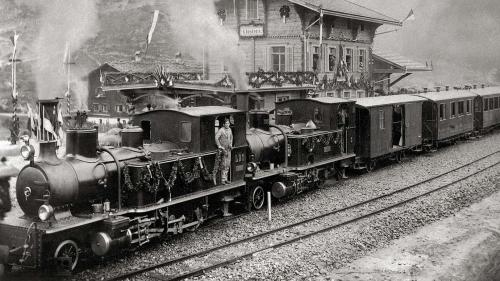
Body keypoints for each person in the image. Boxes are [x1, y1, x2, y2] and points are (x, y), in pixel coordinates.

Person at [215, 118, 233, 185]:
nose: (227, 124)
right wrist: (219, 146)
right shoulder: (221, 130)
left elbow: (231, 138)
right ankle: (222, 180)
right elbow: (216, 137)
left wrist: (231, 144)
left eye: (228, 123)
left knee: (228, 164)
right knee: (223, 164)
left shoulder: (230, 130)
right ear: (223, 124)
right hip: (223, 149)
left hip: (228, 149)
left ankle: (226, 179)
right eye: (226, 123)